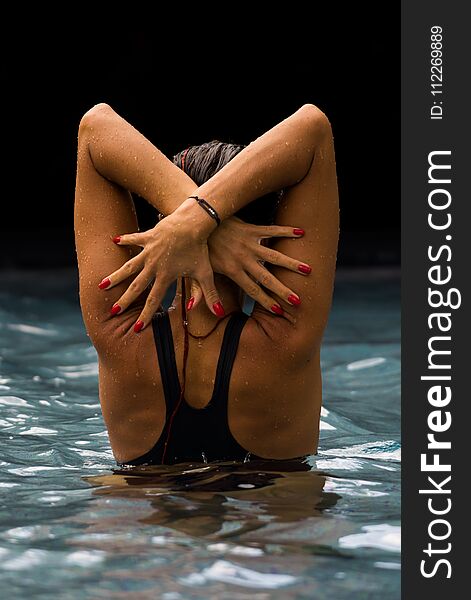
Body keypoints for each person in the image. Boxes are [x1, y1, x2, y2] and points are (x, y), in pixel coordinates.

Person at [74, 102, 339, 466]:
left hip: (139, 515)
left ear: (161, 229)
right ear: (263, 233)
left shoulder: (118, 331)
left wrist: (191, 222)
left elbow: (95, 130)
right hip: (272, 515)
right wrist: (206, 218)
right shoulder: (287, 338)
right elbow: (313, 128)